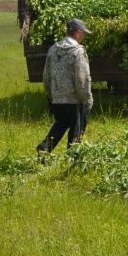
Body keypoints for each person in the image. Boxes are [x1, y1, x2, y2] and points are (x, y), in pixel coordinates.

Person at [36, 18, 93, 158]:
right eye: (83, 33)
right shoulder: (78, 51)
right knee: (76, 128)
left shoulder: (53, 49)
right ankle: (72, 159)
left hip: (57, 98)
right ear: (77, 33)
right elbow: (82, 78)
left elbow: (46, 76)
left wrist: (51, 95)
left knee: (60, 124)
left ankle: (44, 148)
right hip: (74, 99)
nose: (84, 36)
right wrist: (87, 99)